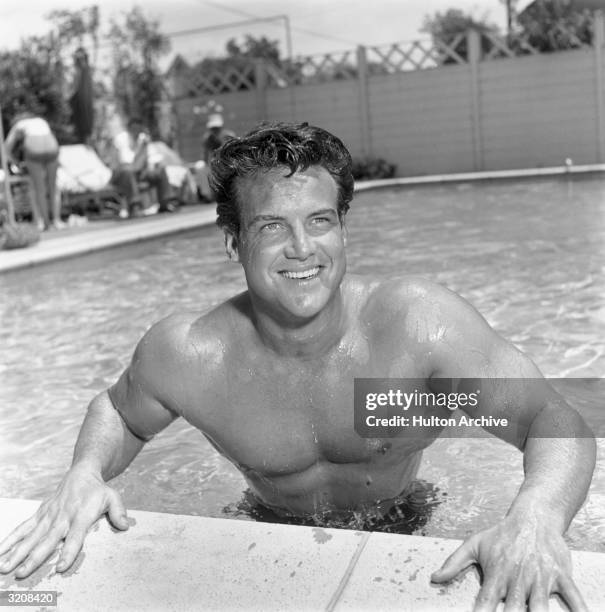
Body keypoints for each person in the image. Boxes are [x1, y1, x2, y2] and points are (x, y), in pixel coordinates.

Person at [0, 122, 595, 611]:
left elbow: (552, 416)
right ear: (233, 241)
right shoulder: (191, 355)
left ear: (342, 229)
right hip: (264, 528)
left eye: (319, 221)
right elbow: (120, 412)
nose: (302, 249)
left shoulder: (414, 330)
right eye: (271, 228)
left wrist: (536, 517)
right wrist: (85, 472)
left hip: (409, 519)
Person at [4, 113, 62, 230]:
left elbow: (7, 148)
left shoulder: (18, 125)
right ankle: (57, 220)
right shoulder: (41, 120)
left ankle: (45, 223)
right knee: (53, 187)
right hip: (52, 146)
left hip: (33, 147)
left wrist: (16, 162)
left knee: (39, 189)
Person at [110, 117, 175, 218]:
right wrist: (142, 149)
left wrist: (151, 166)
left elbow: (153, 158)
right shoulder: (121, 139)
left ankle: (165, 203)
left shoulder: (143, 139)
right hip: (121, 174)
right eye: (134, 128)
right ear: (129, 128)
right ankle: (135, 206)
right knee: (128, 172)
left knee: (160, 169)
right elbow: (128, 162)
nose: (136, 131)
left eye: (138, 128)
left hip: (139, 172)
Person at [194, 113, 235, 202]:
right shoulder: (207, 139)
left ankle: (228, 195)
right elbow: (205, 158)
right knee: (199, 166)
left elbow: (232, 155)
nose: (215, 131)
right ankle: (207, 196)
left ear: (221, 127)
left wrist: (220, 143)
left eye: (217, 128)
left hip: (226, 165)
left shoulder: (229, 136)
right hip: (212, 164)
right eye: (213, 129)